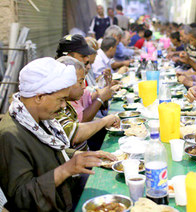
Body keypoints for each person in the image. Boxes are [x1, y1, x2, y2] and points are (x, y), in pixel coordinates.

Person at [0, 57, 116, 211]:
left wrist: (77, 156)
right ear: (40, 97)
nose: (63, 106)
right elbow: (21, 198)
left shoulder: (38, 118)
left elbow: (48, 151)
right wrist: (65, 169)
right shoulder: (11, 135)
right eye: (61, 100)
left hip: (63, 195)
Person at [56, 56, 120, 151]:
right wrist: (104, 121)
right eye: (80, 82)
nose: (84, 87)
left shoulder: (67, 104)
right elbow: (75, 133)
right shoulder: (56, 107)